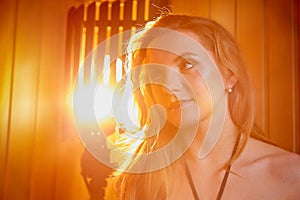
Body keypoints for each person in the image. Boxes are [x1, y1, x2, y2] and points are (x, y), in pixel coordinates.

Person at [103, 14, 300, 200]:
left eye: (187, 65)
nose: (169, 85)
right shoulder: (134, 184)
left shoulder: (292, 176)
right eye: (156, 73)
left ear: (229, 74)